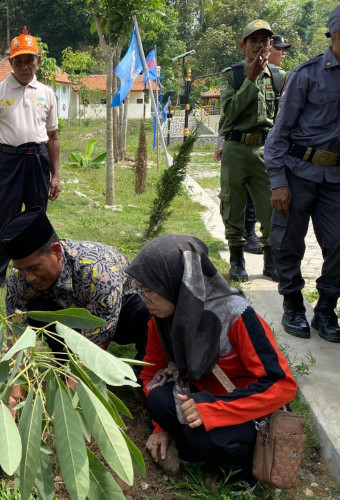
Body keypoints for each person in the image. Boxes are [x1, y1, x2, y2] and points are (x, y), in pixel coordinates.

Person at [125, 234, 297, 476]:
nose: (144, 300)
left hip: (241, 403)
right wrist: (159, 427)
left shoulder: (236, 316)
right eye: (140, 290)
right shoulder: (160, 320)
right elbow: (151, 373)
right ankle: (196, 450)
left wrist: (214, 409)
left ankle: (241, 471)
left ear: (176, 282)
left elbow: (281, 385)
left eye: (150, 290)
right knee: (157, 400)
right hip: (197, 399)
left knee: (208, 439)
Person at [264, 6, 340, 343]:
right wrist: (278, 182)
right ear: (335, 35)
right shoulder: (307, 74)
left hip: (336, 178)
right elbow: (279, 134)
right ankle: (293, 303)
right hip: (297, 173)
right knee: (288, 242)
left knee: (339, 245)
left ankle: (325, 309)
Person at [0, 207, 148, 360]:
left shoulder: (98, 270)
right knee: (35, 310)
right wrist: (18, 377)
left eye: (34, 268)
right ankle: (64, 361)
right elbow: (16, 329)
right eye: (21, 269)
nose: (29, 277)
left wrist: (76, 379)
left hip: (122, 314)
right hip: (75, 314)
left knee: (147, 315)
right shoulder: (19, 277)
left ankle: (145, 376)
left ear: (57, 251)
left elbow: (96, 342)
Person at [0, 27, 60, 293]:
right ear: (10, 62)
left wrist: (56, 175)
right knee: (3, 219)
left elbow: (53, 137)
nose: (25, 66)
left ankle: (41, 271)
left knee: (37, 218)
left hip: (38, 160)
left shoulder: (47, 93)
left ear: (38, 60)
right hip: (9, 162)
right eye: (19, 61)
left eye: (30, 59)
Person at [218, 20, 284, 282]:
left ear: (270, 44)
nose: (259, 45)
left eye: (264, 40)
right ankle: (237, 260)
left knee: (272, 206)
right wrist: (251, 78)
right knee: (233, 205)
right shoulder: (231, 75)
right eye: (253, 40)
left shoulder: (279, 77)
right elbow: (231, 112)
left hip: (266, 150)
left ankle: (271, 262)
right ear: (243, 45)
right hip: (235, 148)